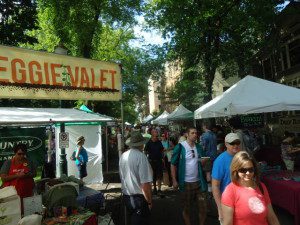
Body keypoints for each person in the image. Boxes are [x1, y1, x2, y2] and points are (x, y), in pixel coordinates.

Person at [221, 151, 280, 225]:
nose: (248, 173)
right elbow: (228, 223)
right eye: (243, 170)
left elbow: (271, 217)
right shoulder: (230, 191)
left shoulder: (261, 186)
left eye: (250, 169)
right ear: (236, 170)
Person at [171, 127, 208, 225]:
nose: (195, 135)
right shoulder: (180, 147)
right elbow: (173, 164)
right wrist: (174, 180)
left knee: (203, 208)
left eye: (196, 133)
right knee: (186, 208)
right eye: (192, 133)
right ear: (187, 134)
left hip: (199, 182)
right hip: (185, 183)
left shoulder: (199, 147)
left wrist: (203, 162)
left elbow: (202, 162)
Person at [119, 130, 153, 225]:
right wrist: (149, 201)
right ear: (141, 144)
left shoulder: (123, 156)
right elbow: (145, 184)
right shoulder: (141, 157)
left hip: (127, 196)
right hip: (138, 198)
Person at [211, 133, 241, 224]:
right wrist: (220, 209)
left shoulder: (241, 157)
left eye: (237, 142)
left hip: (241, 200)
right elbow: (215, 186)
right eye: (232, 143)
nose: (235, 145)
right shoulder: (220, 161)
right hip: (227, 203)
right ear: (226, 144)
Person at [0, 144, 36, 213]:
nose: (21, 156)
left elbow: (34, 174)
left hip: (27, 194)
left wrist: (26, 174)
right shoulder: (8, 163)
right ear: (15, 153)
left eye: (23, 154)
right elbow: (3, 178)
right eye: (19, 154)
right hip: (11, 195)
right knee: (13, 213)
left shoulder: (29, 162)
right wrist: (17, 176)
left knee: (27, 213)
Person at [144, 129, 164, 194]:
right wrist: (147, 159)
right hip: (152, 161)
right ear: (152, 134)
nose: (156, 133)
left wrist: (162, 157)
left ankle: (159, 189)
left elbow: (162, 150)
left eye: (156, 132)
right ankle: (154, 188)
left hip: (159, 161)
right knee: (153, 176)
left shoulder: (159, 142)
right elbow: (145, 151)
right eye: (155, 132)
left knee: (159, 175)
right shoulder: (149, 142)